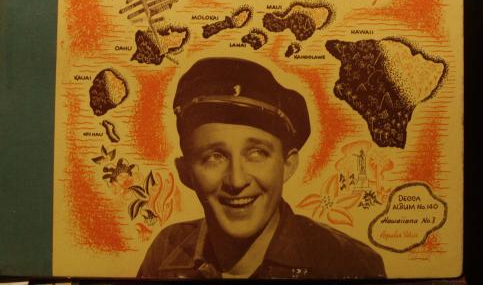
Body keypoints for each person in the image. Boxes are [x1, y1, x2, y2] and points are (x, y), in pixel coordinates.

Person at [138, 57, 386, 279]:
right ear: (185, 173)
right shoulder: (167, 251)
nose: (236, 181)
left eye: (257, 153)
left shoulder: (347, 263)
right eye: (214, 157)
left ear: (288, 164)